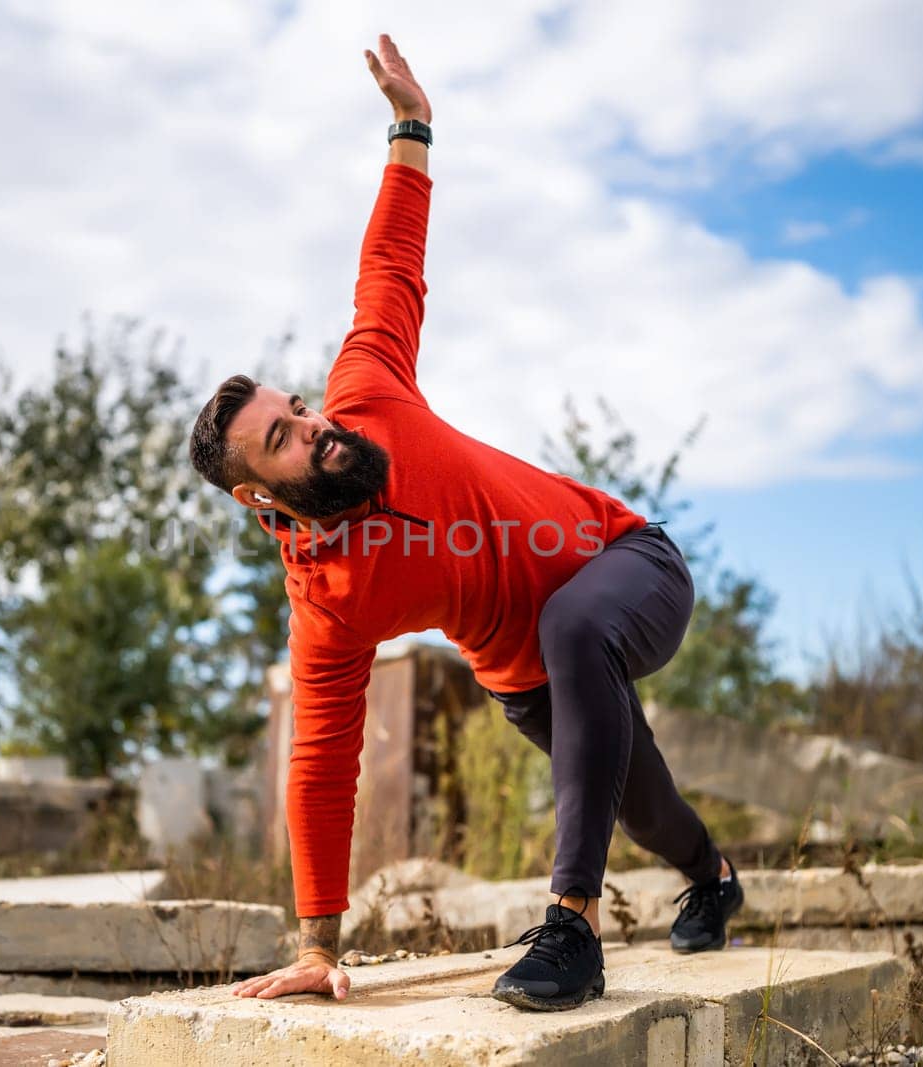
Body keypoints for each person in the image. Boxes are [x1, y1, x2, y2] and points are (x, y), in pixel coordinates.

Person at [189, 33, 743, 1013]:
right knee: (641, 799)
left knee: (573, 623)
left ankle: (571, 925)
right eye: (283, 437)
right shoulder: (326, 603)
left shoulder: (368, 390)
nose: (314, 428)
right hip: (526, 671)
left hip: (628, 562)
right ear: (257, 496)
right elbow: (319, 760)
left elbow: (389, 267)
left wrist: (411, 127)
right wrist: (317, 942)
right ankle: (715, 875)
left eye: (301, 408)